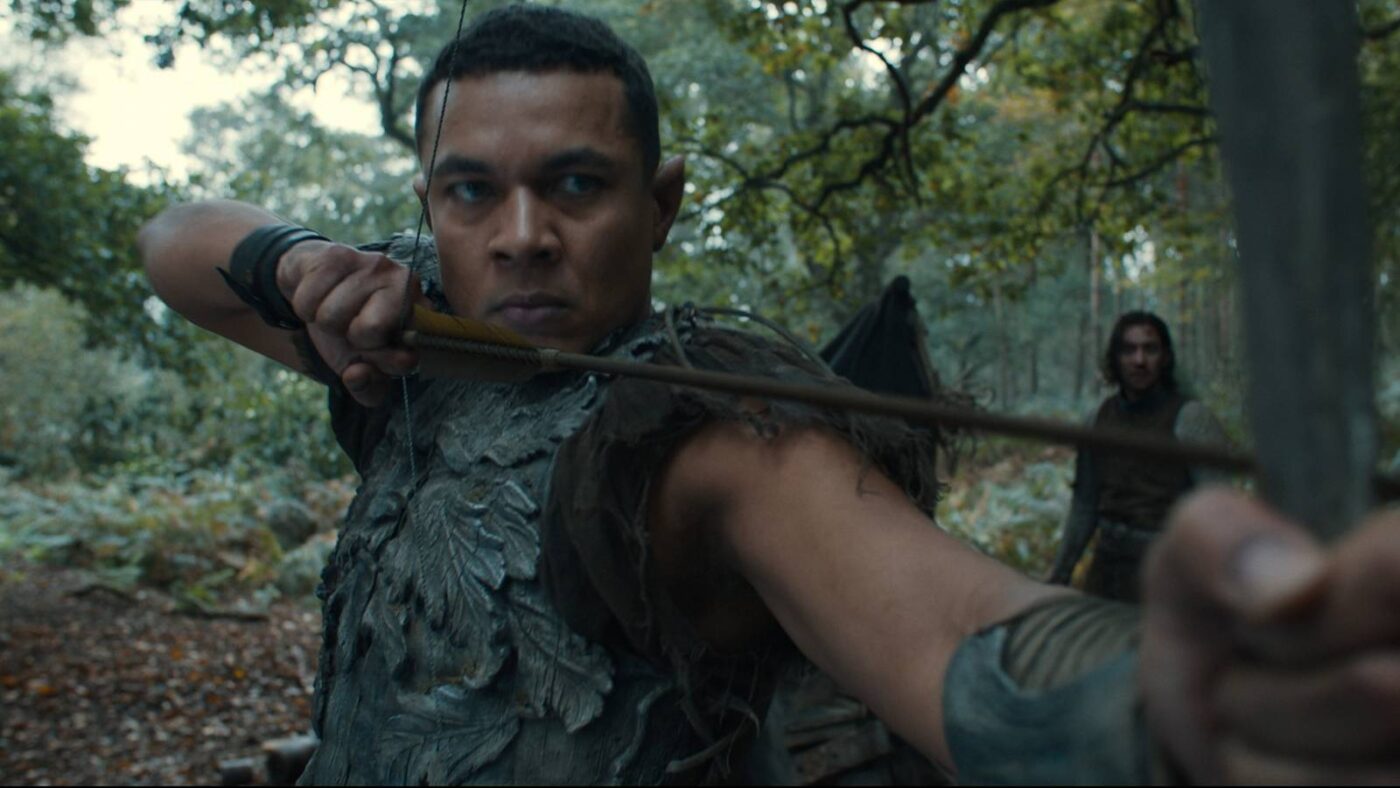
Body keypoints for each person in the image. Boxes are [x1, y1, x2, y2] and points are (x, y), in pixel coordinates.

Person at [139, 5, 1400, 784]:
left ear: (661, 203)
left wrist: (1180, 703)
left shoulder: (705, 439)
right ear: (429, 204)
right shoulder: (401, 334)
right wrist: (294, 263)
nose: (520, 236)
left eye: (575, 185)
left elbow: (943, 627)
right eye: (472, 191)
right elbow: (172, 244)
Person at [1048, 312, 1230, 601]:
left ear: (1165, 357)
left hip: (1169, 573)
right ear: (1115, 358)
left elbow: (1219, 510)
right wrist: (1060, 574)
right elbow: (1084, 504)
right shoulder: (1098, 419)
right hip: (1107, 570)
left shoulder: (1190, 418)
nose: (1139, 360)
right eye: (1128, 350)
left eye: (1150, 349)